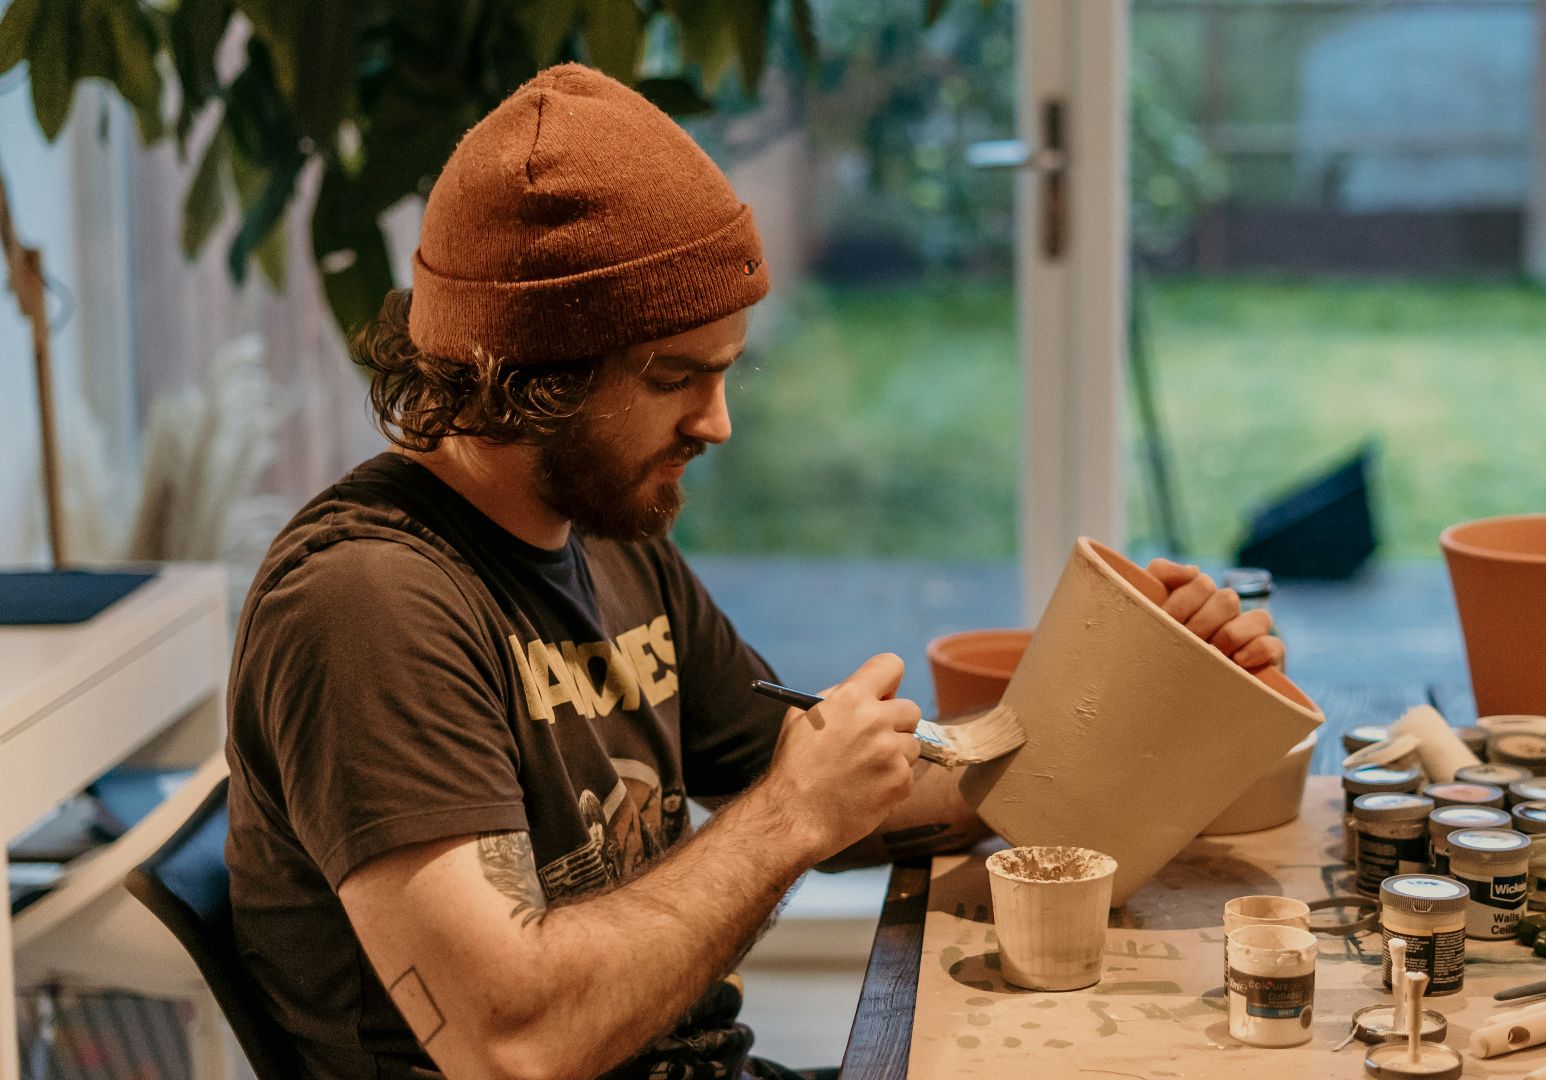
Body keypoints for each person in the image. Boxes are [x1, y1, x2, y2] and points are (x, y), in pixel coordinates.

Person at [223, 64, 1285, 1080]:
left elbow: (855, 792)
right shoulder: (365, 608)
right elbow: (513, 1047)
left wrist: (1141, 695)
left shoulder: (608, 535)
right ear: (530, 377)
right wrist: (788, 818)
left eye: (725, 372)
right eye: (675, 376)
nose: (716, 423)